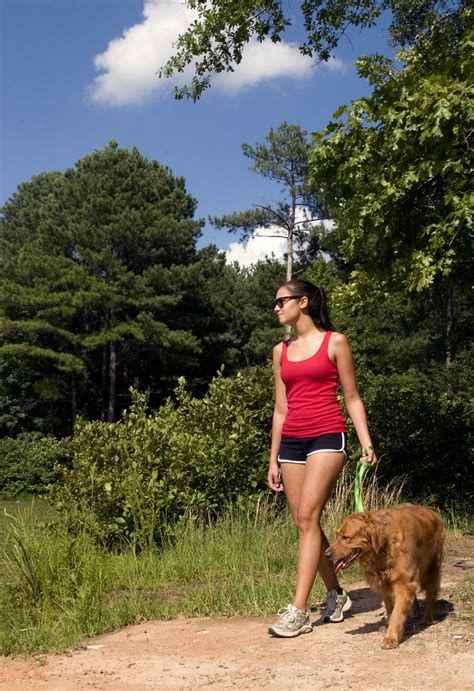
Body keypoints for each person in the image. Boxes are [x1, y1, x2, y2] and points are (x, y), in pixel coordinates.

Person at [267, 279, 377, 638]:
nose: (277, 308)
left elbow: (352, 397)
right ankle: (336, 594)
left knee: (308, 515)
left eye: (282, 301)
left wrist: (366, 442)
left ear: (303, 302)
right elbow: (280, 410)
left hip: (328, 435)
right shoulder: (280, 352)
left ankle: (298, 611)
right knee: (305, 523)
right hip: (292, 443)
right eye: (276, 303)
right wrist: (273, 458)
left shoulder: (335, 342)